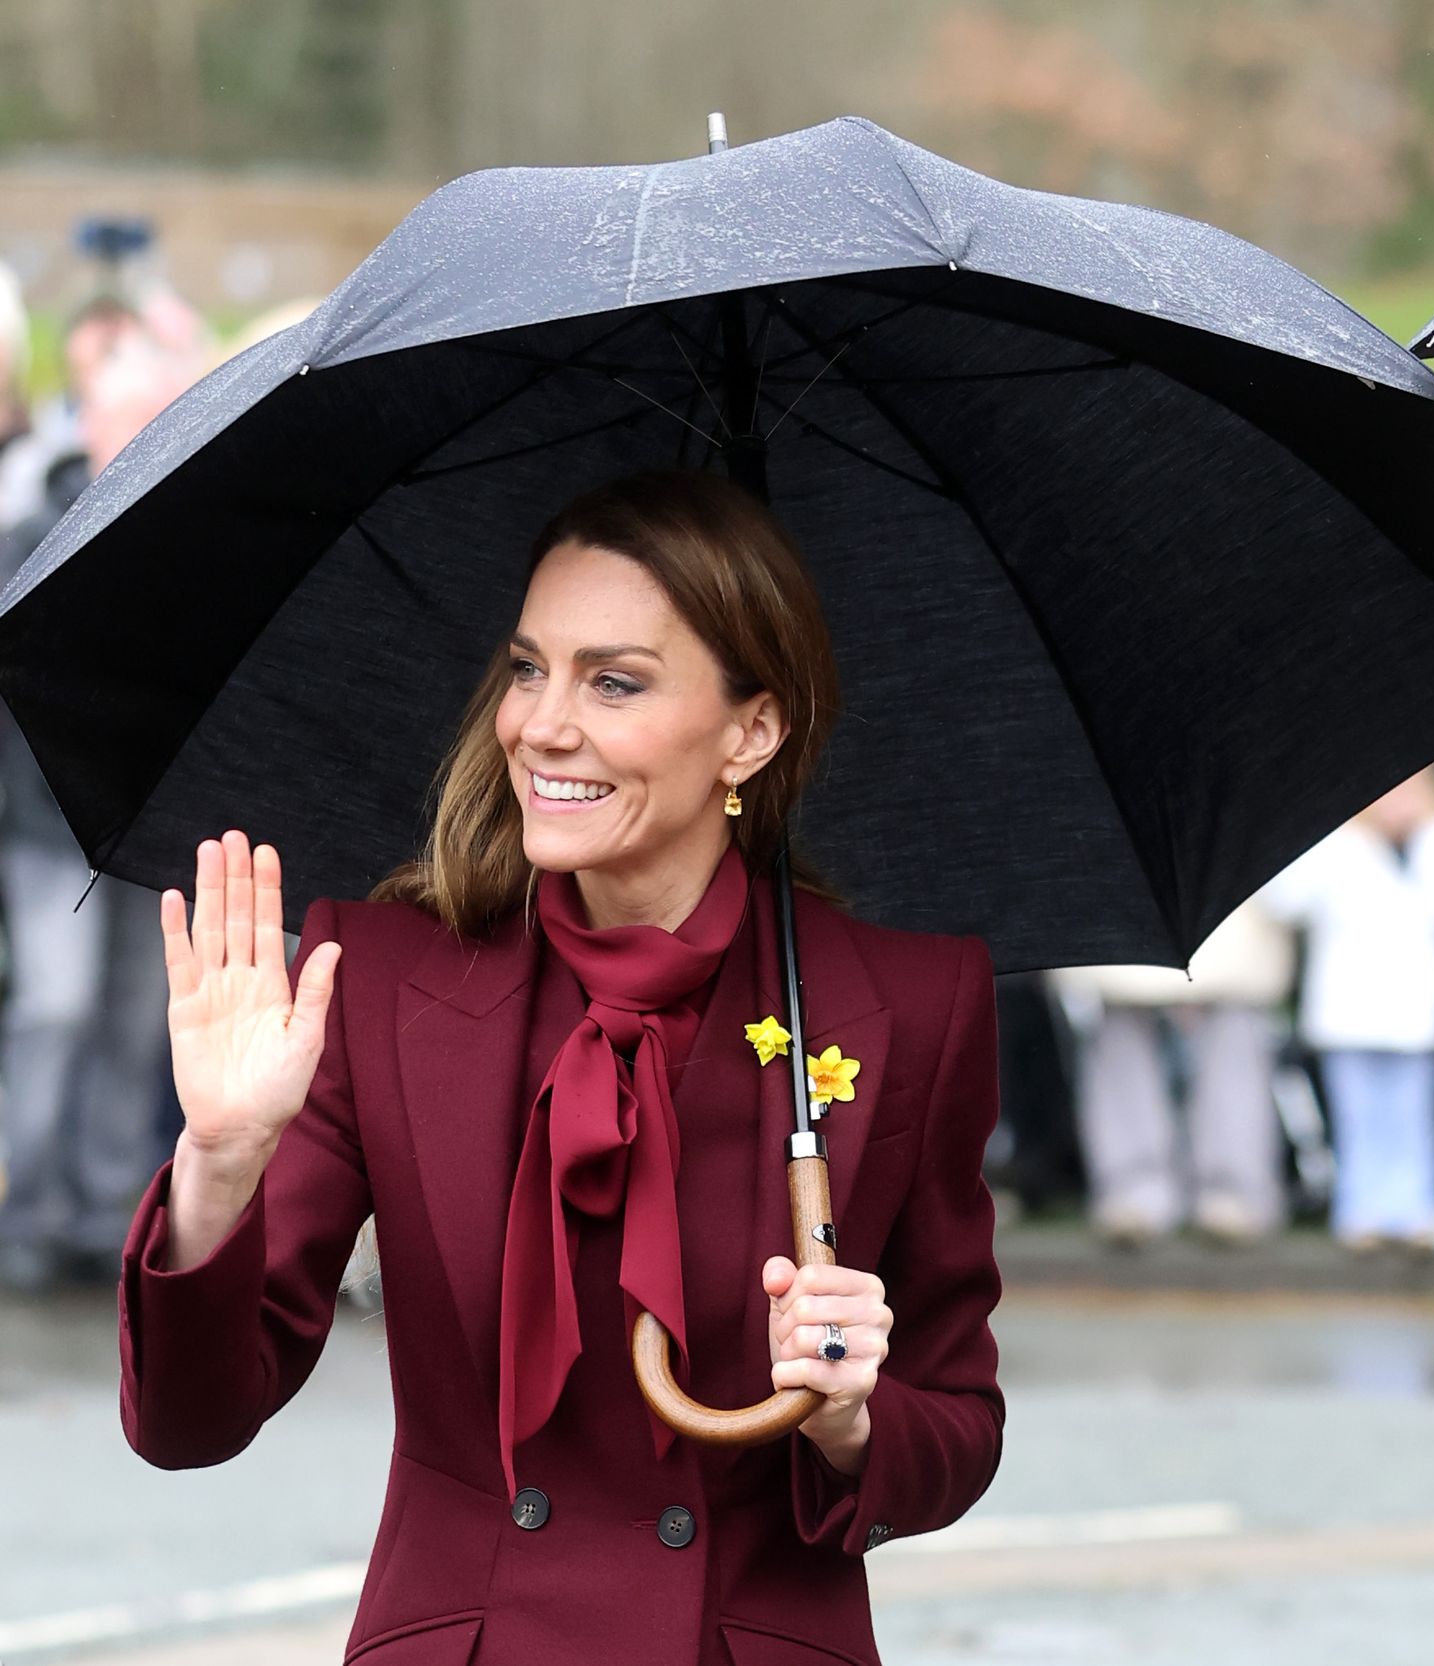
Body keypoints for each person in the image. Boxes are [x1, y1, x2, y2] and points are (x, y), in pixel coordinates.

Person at [116, 472, 1005, 1665]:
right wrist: (218, 1170)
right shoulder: (376, 976)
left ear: (752, 729)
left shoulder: (909, 1003)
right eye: (530, 666)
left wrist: (851, 1415)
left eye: (614, 681)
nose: (541, 723)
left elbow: (955, 1430)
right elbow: (189, 1425)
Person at [0, 326, 200, 1291]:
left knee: (134, 1021)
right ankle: (26, 1213)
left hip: (151, 822)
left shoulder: (188, 542)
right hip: (47, 827)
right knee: (56, 1007)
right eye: (132, 417)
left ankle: (104, 1212)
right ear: (91, 425)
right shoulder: (26, 536)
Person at [1266, 768, 1434, 1251]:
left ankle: (1411, 1213)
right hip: (1350, 1010)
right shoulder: (1334, 847)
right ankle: (1361, 1213)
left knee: (1414, 1114)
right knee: (1358, 1115)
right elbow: (1285, 900)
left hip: (1418, 1009)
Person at [1051, 899, 1295, 1246]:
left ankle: (1229, 1190)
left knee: (1231, 1046)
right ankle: (1139, 1191)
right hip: (1127, 912)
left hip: (1229, 915)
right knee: (1125, 1045)